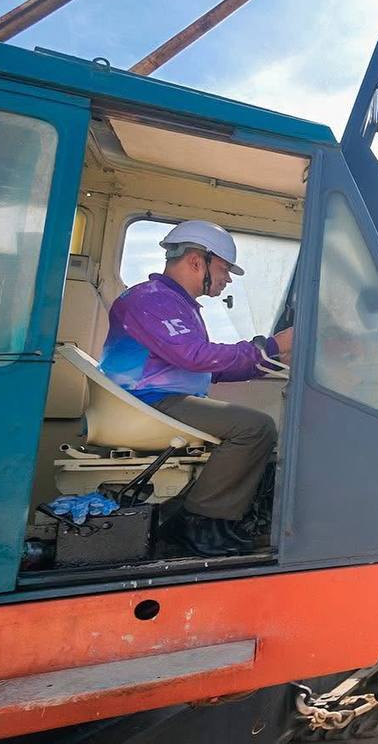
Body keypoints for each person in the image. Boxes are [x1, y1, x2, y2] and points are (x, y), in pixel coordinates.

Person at [99, 220, 292, 557]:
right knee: (256, 428)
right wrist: (271, 345)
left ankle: (196, 516)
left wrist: (262, 359)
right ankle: (198, 524)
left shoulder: (174, 304)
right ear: (195, 260)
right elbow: (194, 356)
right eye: (224, 268)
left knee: (254, 424)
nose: (227, 278)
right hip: (147, 403)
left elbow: (201, 368)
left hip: (156, 400)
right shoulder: (151, 299)